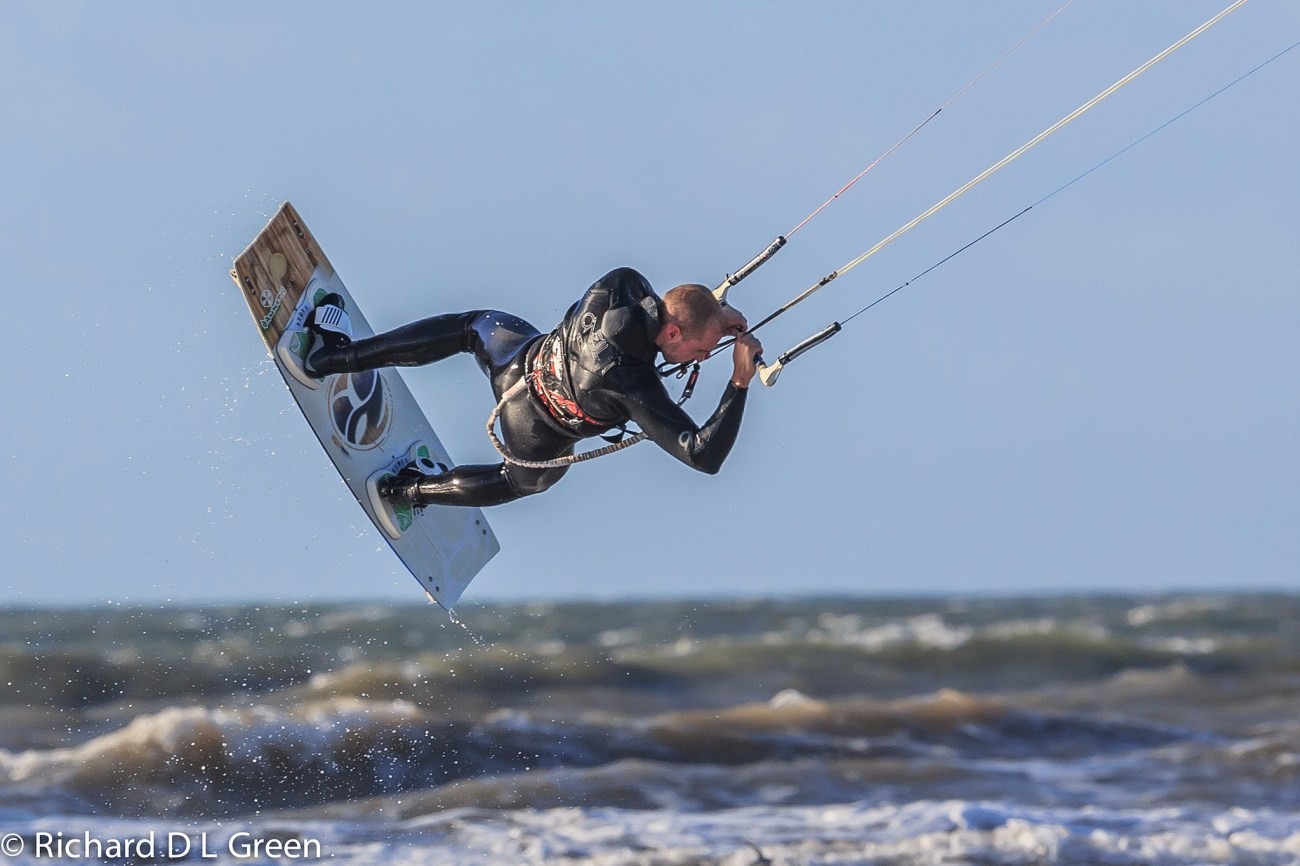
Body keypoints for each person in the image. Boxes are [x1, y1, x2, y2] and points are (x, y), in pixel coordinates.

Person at [302, 267, 763, 508]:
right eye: (704, 349)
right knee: (521, 481)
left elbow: (681, 313)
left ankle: (333, 356)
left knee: (472, 326)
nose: (707, 357)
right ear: (674, 334)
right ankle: (408, 490)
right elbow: (702, 456)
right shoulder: (629, 381)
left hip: (516, 357)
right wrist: (739, 381)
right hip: (536, 429)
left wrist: (715, 314)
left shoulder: (625, 282)